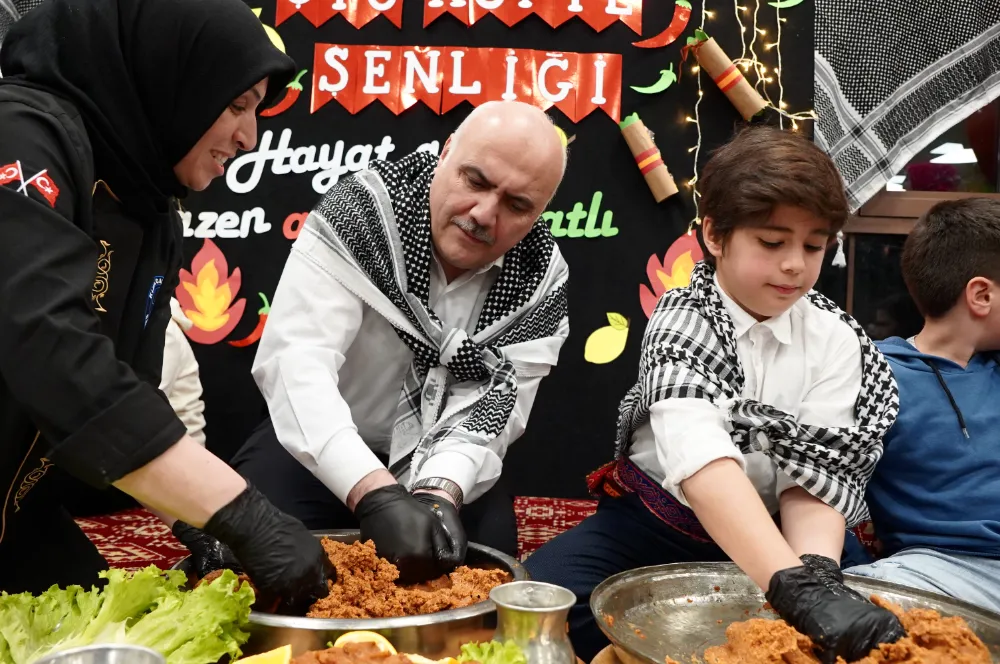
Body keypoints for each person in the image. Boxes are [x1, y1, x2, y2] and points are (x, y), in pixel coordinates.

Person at [525, 126, 905, 663]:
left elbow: (815, 479)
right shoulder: (680, 318)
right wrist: (791, 590)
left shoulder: (838, 339)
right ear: (715, 236)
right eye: (772, 243)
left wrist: (814, 578)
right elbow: (703, 461)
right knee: (541, 600)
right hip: (659, 525)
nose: (795, 264)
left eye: (814, 245)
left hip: (788, 528)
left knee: (872, 632)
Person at [0, 0, 333, 610]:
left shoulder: (147, 199)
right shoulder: (20, 132)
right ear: (171, 75)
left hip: (19, 507)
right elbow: (52, 351)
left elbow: (133, 381)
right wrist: (239, 513)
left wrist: (196, 519)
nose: (248, 136)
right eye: (236, 106)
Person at [231, 100, 570, 583]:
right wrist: (373, 491)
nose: (483, 214)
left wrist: (439, 492)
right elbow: (296, 363)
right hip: (319, 443)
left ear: (539, 212)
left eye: (517, 206)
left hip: (446, 453)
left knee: (483, 580)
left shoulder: (539, 276)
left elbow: (499, 407)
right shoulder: (361, 213)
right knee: (256, 566)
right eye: (475, 181)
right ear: (446, 152)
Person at [844, 198, 1000, 612]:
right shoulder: (873, 372)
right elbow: (829, 482)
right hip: (932, 569)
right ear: (981, 294)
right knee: (848, 599)